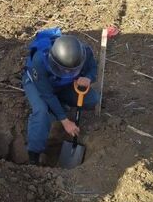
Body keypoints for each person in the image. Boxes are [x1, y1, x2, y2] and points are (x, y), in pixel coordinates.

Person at [22, 27, 99, 165]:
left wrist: (88, 77)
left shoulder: (83, 53)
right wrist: (64, 120)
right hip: (38, 84)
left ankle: (58, 108)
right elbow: (47, 94)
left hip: (64, 84)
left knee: (92, 99)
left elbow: (93, 68)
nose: (66, 71)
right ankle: (33, 157)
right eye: (62, 69)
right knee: (41, 112)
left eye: (70, 70)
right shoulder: (39, 60)